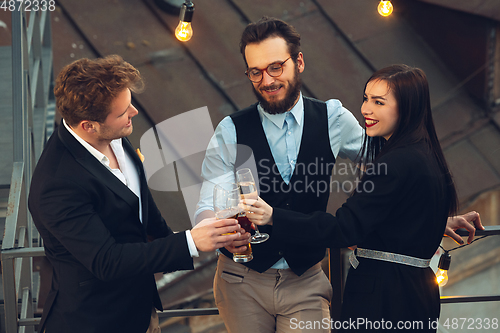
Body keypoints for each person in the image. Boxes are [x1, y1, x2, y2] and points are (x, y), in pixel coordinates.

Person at [195, 17, 482, 333]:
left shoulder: (334, 118)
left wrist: (423, 221)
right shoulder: (230, 130)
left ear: (299, 62)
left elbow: (391, 173)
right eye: (255, 72)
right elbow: (209, 203)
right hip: (241, 282)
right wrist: (220, 233)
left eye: (276, 67)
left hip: (305, 281)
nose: (266, 80)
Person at [28, 55, 244, 333]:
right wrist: (190, 243)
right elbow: (107, 261)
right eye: (122, 112)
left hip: (141, 311)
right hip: (96, 320)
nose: (134, 112)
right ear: (88, 125)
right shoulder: (56, 185)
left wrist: (202, 239)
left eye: (129, 103)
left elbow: (139, 207)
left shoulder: (114, 135)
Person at [245, 64, 468, 332]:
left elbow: (344, 229)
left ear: (406, 107)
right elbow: (404, 211)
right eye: (365, 98)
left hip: (382, 300)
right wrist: (436, 222)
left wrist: (273, 216)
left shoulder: (394, 163)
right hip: (417, 294)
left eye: (379, 102)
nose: (365, 109)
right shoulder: (424, 152)